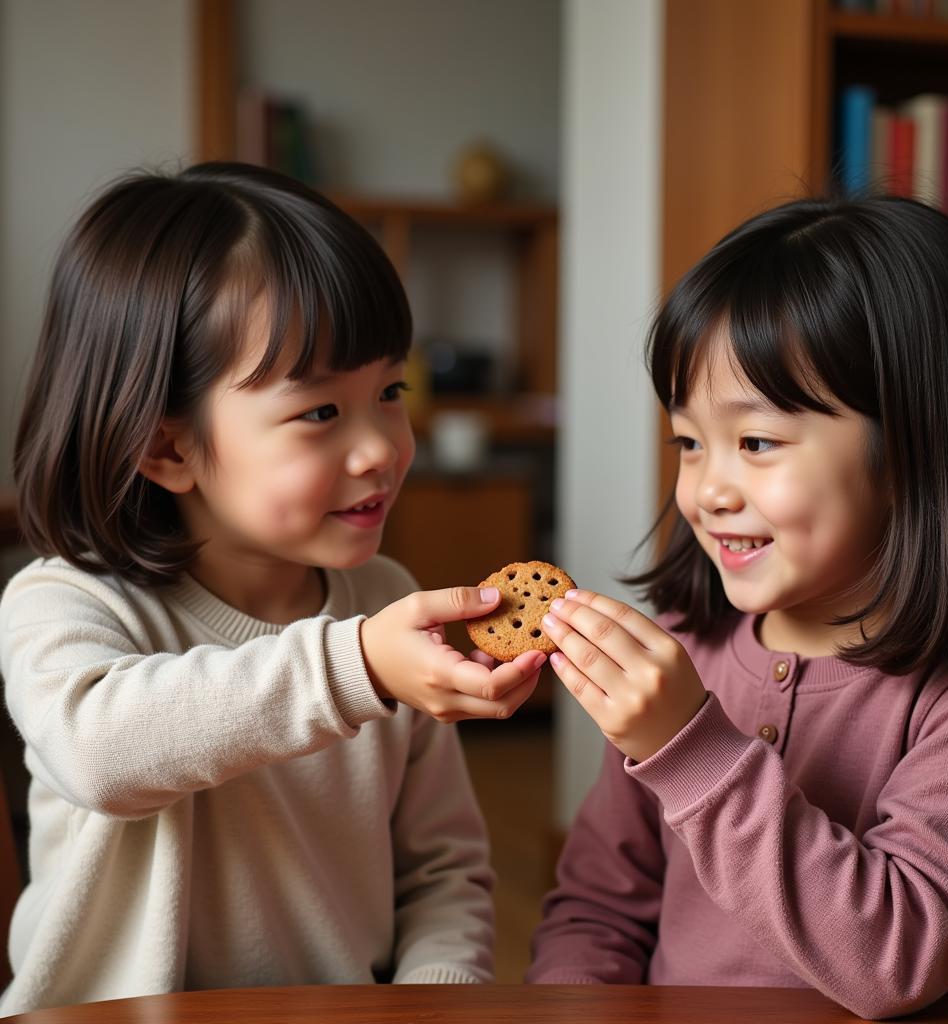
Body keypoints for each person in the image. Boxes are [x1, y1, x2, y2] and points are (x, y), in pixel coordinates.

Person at [0, 162, 546, 1015]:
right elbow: (99, 754)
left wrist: (438, 995)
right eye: (320, 412)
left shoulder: (385, 601)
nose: (381, 450)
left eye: (391, 392)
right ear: (169, 449)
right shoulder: (67, 601)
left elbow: (442, 869)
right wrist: (355, 665)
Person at [527, 195, 948, 1018]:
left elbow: (897, 959)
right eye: (689, 442)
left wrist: (689, 749)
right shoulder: (685, 652)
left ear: (916, 445)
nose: (709, 489)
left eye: (756, 442)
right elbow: (597, 908)